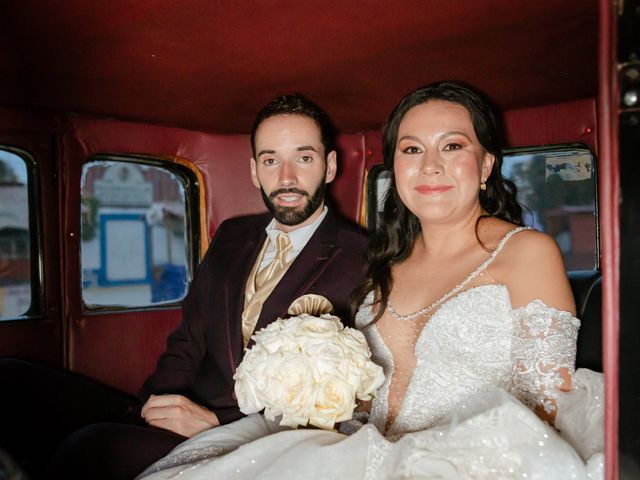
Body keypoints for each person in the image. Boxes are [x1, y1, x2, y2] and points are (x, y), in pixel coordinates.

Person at [138, 82, 604, 480]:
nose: (430, 165)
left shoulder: (525, 253)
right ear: (397, 168)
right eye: (412, 149)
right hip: (364, 453)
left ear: (485, 167)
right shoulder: (385, 266)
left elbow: (545, 408)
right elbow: (365, 402)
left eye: (453, 146)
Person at [1, 94, 368, 479]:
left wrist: (217, 432)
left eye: (304, 158)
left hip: (240, 439)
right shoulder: (232, 235)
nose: (287, 177)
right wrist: (150, 408)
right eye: (271, 160)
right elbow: (188, 339)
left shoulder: (362, 257)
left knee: (91, 448)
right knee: (12, 381)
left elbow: (347, 406)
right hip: (176, 406)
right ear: (255, 171)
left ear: (329, 167)